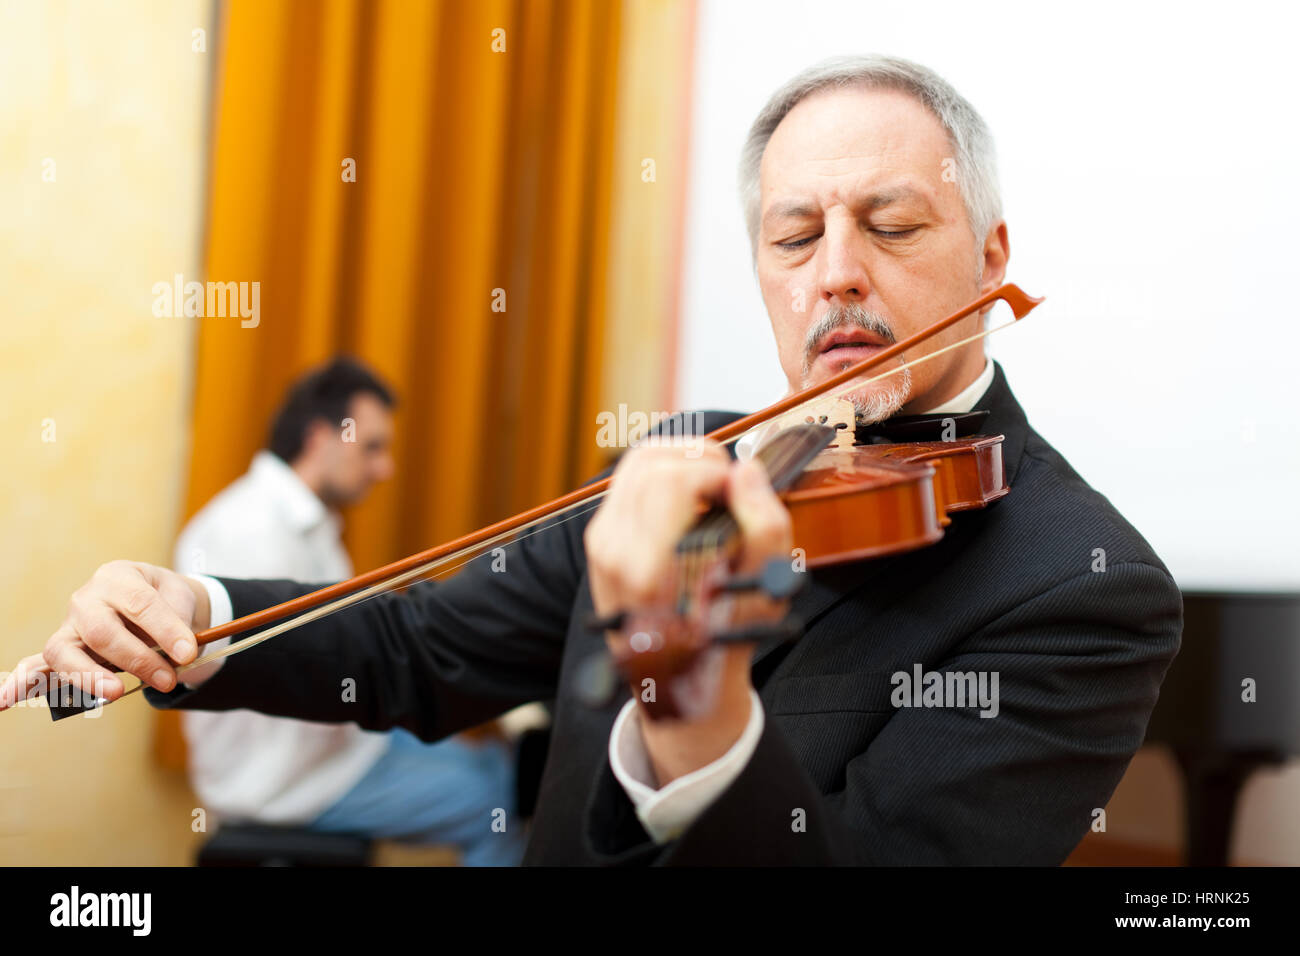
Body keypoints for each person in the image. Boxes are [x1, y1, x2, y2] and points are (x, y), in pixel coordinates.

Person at [5, 55, 1182, 864]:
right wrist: (195, 610)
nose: (833, 272)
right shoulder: (688, 457)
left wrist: (692, 702)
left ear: (990, 256)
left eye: (890, 224)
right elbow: (419, 648)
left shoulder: (1082, 583)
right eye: (792, 235)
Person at [174, 357, 524, 866]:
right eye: (373, 448)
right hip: (285, 778)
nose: (386, 468)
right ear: (320, 438)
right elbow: (295, 670)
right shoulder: (249, 532)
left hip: (333, 748)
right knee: (496, 801)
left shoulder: (306, 522)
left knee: (498, 762)